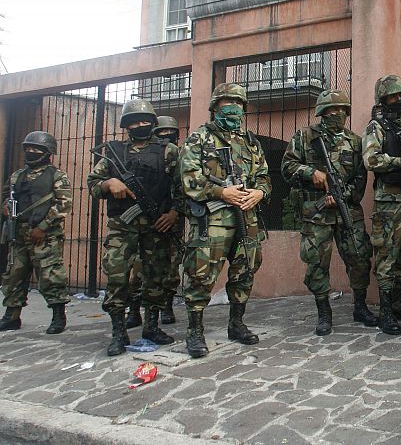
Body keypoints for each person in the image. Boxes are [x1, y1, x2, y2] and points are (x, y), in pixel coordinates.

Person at [180, 83, 271, 358]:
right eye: (227, 103)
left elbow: (264, 176)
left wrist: (259, 192)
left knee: (244, 272)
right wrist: (221, 192)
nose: (233, 108)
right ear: (215, 107)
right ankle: (195, 331)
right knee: (200, 276)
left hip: (247, 219)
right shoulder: (199, 139)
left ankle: (236, 323)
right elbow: (188, 178)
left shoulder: (251, 143)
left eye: (238, 104)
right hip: (213, 221)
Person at [281, 89, 378, 336]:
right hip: (317, 213)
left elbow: (360, 177)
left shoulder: (355, 141)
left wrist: (343, 195)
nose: (337, 114)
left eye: (342, 110)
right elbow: (287, 167)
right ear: (322, 112)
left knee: (359, 256)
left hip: (348, 211)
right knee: (316, 263)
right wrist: (309, 172)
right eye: (332, 110)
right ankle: (324, 312)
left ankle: (360, 306)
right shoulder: (304, 137)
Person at [87, 100, 179, 356]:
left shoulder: (168, 151)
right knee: (117, 277)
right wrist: (109, 183)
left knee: (156, 277)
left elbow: (183, 187)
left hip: (156, 226)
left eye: (145, 121)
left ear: (153, 122)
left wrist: (173, 213)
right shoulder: (114, 152)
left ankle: (151, 327)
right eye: (134, 122)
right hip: (122, 227)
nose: (140, 125)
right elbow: (93, 184)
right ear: (126, 125)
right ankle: (119, 332)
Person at [363, 75, 401, 335]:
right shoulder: (375, 127)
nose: (399, 100)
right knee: (387, 257)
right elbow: (371, 159)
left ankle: (399, 304)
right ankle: (386, 311)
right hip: (389, 202)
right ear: (383, 99)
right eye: (393, 96)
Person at [0, 131, 72, 334]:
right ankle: (12, 316)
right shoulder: (17, 175)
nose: (31, 152)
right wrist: (5, 207)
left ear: (47, 152)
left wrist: (43, 226)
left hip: (45, 235)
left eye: (37, 149)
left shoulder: (56, 175)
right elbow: (6, 197)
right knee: (14, 275)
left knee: (51, 276)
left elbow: (64, 204)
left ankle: (58, 316)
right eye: (29, 149)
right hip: (19, 232)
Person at [125, 115, 184, 328]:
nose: (166, 138)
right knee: (140, 268)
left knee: (169, 267)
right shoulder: (141, 154)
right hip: (143, 219)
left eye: (171, 135)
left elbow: (184, 188)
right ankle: (134, 309)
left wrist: (175, 213)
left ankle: (165, 306)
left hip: (171, 220)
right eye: (162, 134)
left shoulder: (179, 155)